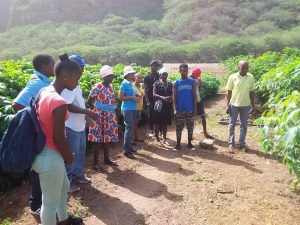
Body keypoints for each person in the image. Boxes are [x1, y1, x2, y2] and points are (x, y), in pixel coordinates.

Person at [32, 53, 83, 225]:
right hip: (51, 156)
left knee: (63, 188)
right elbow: (59, 138)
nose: (78, 82)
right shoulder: (59, 102)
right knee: (49, 201)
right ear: (65, 75)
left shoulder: (45, 91)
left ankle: (64, 220)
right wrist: (69, 156)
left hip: (43, 152)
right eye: (77, 77)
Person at [12, 54, 55, 216]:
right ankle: (35, 204)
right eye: (52, 64)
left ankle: (43, 201)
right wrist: (34, 122)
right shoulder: (37, 82)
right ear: (44, 66)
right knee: (37, 167)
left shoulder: (44, 81)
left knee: (42, 166)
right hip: (38, 133)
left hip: (43, 133)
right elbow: (17, 104)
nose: (54, 67)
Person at [61, 55, 97, 193]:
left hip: (79, 125)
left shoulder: (76, 83)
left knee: (80, 152)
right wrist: (87, 111)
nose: (83, 70)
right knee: (72, 155)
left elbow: (78, 103)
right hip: (71, 126)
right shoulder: (67, 85)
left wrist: (87, 118)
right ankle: (69, 181)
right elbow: (68, 106)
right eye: (81, 67)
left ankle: (78, 174)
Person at [87, 65, 119, 171]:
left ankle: (107, 159)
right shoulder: (97, 86)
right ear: (103, 77)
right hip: (99, 116)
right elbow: (89, 101)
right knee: (98, 140)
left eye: (112, 76)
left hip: (109, 115)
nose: (111, 78)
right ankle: (95, 163)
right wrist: (96, 112)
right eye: (109, 76)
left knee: (107, 138)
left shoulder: (111, 87)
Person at [226, 60, 256, 152]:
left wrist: (253, 105)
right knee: (232, 124)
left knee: (243, 125)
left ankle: (242, 144)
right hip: (234, 104)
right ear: (238, 67)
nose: (245, 70)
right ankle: (231, 144)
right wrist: (227, 105)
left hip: (245, 105)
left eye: (247, 68)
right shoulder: (233, 77)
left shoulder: (250, 77)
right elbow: (229, 92)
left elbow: (252, 92)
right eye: (243, 68)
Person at [173, 63, 197, 152]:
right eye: (183, 71)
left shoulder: (192, 82)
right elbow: (174, 97)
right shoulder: (176, 83)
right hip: (180, 109)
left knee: (190, 127)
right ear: (180, 71)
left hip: (189, 109)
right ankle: (178, 144)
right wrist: (175, 109)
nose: (185, 72)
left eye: (186, 71)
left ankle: (190, 143)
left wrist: (195, 108)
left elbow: (194, 95)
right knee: (178, 128)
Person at [119, 66, 140, 159]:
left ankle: (129, 147)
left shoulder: (130, 83)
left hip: (133, 108)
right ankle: (126, 151)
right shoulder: (124, 84)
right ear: (127, 74)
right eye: (131, 73)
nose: (133, 74)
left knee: (130, 129)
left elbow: (132, 95)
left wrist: (136, 96)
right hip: (127, 109)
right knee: (128, 129)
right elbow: (120, 97)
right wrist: (132, 98)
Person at [190, 67, 214, 139]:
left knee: (203, 116)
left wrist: (200, 84)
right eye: (196, 75)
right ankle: (190, 135)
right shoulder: (189, 80)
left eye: (198, 75)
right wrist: (195, 83)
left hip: (198, 100)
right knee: (191, 118)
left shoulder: (198, 79)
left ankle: (205, 132)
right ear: (193, 73)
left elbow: (199, 91)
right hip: (191, 101)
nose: (197, 76)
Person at [153, 67, 173, 145]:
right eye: (163, 74)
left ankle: (164, 139)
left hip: (167, 106)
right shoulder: (156, 83)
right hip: (158, 106)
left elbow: (173, 93)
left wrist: (170, 97)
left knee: (165, 123)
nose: (165, 76)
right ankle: (157, 140)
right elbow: (153, 94)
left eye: (166, 74)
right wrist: (162, 97)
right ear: (160, 75)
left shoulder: (170, 83)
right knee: (157, 123)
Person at [144, 60, 161, 137]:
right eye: (155, 66)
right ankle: (151, 130)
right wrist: (147, 100)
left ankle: (159, 131)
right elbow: (145, 89)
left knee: (159, 114)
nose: (156, 67)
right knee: (151, 115)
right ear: (151, 66)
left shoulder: (159, 76)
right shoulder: (147, 77)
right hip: (150, 99)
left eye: (157, 66)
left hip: (158, 98)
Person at [133, 72, 145, 143]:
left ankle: (135, 137)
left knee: (136, 123)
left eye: (141, 78)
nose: (140, 79)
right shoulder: (132, 86)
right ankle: (136, 138)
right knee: (134, 123)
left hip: (140, 107)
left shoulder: (141, 85)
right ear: (135, 78)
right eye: (138, 77)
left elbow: (143, 94)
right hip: (134, 107)